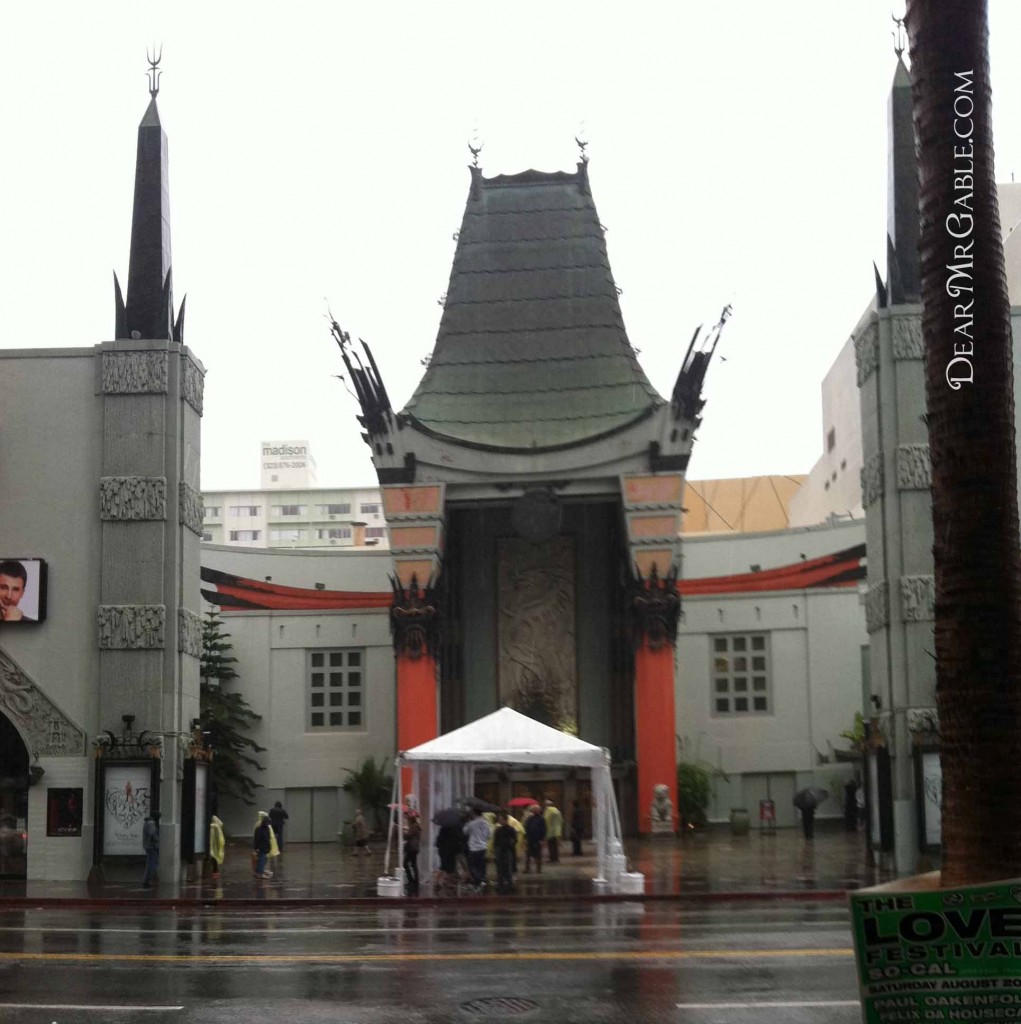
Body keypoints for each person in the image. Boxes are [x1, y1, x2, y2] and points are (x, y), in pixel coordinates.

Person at [463, 806, 491, 892]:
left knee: (472, 866)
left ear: (474, 813)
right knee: (481, 866)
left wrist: (467, 823)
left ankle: (479, 881)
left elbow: (465, 832)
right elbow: (489, 835)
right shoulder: (486, 823)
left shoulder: (472, 823)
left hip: (474, 847)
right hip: (483, 847)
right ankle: (479, 882)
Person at [493, 810, 518, 894]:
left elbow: (514, 840)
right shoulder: (498, 829)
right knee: (499, 867)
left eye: (501, 819)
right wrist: (495, 848)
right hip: (500, 850)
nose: (500, 821)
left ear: (505, 820)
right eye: (499, 819)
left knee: (508, 866)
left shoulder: (511, 829)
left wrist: (509, 845)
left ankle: (509, 882)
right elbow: (495, 840)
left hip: (507, 850)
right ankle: (500, 882)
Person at [435, 821, 462, 892]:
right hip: (451, 849)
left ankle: (439, 882)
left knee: (444, 866)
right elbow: (460, 837)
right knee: (449, 867)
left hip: (443, 849)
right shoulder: (456, 828)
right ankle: (447, 883)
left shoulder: (443, 827)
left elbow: (439, 839)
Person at [524, 804, 547, 873]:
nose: (534, 810)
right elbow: (526, 827)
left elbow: (543, 829)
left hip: (538, 839)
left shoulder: (541, 819)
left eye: (535, 809)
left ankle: (538, 869)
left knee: (538, 854)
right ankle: (527, 868)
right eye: (533, 809)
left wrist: (542, 839)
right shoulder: (530, 818)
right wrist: (526, 838)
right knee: (528, 854)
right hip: (530, 838)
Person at [403, 812, 421, 895]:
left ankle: (412, 881)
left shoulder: (413, 827)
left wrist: (402, 831)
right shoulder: (416, 826)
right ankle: (414, 881)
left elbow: (407, 837)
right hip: (414, 848)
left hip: (412, 848)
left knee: (405, 864)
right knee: (413, 865)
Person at [141, 810, 160, 888]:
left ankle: (147, 880)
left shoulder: (148, 822)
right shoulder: (151, 823)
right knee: (152, 864)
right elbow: (152, 835)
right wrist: (158, 839)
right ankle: (147, 881)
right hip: (151, 846)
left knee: (152, 864)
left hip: (150, 846)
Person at [253, 811, 274, 878]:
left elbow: (268, 838)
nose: (268, 824)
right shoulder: (260, 829)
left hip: (265, 847)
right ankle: (260, 873)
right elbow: (257, 839)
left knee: (262, 860)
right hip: (262, 847)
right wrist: (256, 847)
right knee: (261, 860)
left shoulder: (265, 829)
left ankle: (259, 871)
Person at [543, 799, 563, 863]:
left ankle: (552, 858)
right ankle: (556, 858)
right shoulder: (557, 811)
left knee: (551, 845)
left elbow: (546, 820)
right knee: (555, 845)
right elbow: (561, 820)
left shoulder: (549, 811)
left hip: (550, 831)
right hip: (557, 830)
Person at [209, 815, 225, 881]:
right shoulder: (218, 827)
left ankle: (215, 872)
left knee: (214, 857)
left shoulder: (213, 827)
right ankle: (215, 872)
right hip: (218, 844)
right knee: (216, 857)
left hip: (213, 845)